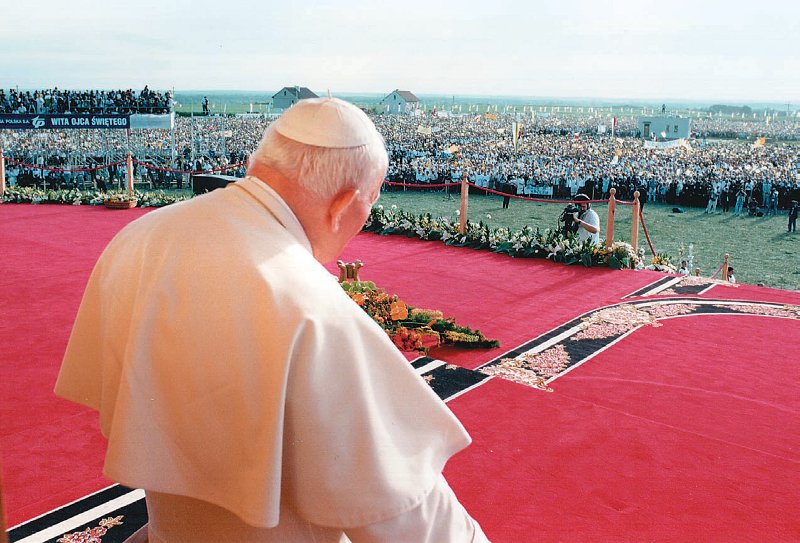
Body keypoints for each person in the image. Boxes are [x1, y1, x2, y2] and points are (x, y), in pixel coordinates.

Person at [55, 98, 489, 542]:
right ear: (343, 204)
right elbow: (402, 507)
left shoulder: (141, 235)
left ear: (254, 165)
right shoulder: (311, 304)